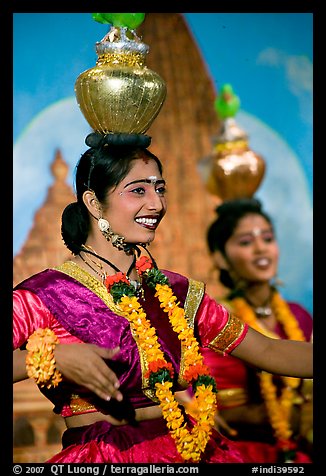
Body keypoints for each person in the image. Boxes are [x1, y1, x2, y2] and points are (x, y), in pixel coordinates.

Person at [13, 134, 313, 464]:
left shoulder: (175, 292)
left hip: (191, 451)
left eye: (160, 189)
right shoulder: (46, 295)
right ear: (94, 202)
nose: (156, 204)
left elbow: (269, 350)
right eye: (138, 190)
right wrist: (49, 359)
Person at [204, 197, 313, 463]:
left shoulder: (298, 315)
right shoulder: (218, 321)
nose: (260, 249)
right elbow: (211, 412)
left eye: (267, 238)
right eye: (245, 242)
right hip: (242, 453)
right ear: (220, 257)